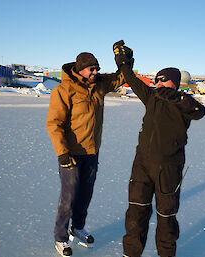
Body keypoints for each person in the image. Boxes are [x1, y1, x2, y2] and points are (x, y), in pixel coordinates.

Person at [113, 41, 205, 257]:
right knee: (136, 214)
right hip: (142, 165)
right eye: (156, 81)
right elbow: (132, 81)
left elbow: (199, 112)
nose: (158, 84)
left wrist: (177, 99)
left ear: (174, 82)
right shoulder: (151, 97)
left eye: (163, 81)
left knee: (166, 218)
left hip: (168, 169)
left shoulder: (185, 103)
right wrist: (123, 62)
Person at [46, 52, 125, 256]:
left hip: (91, 152)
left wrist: (125, 62)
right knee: (68, 196)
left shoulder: (99, 84)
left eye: (97, 68)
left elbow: (120, 78)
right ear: (80, 69)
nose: (95, 72)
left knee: (85, 194)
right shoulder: (63, 90)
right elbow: (54, 124)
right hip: (70, 154)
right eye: (92, 69)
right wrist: (62, 154)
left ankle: (78, 227)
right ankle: (61, 238)